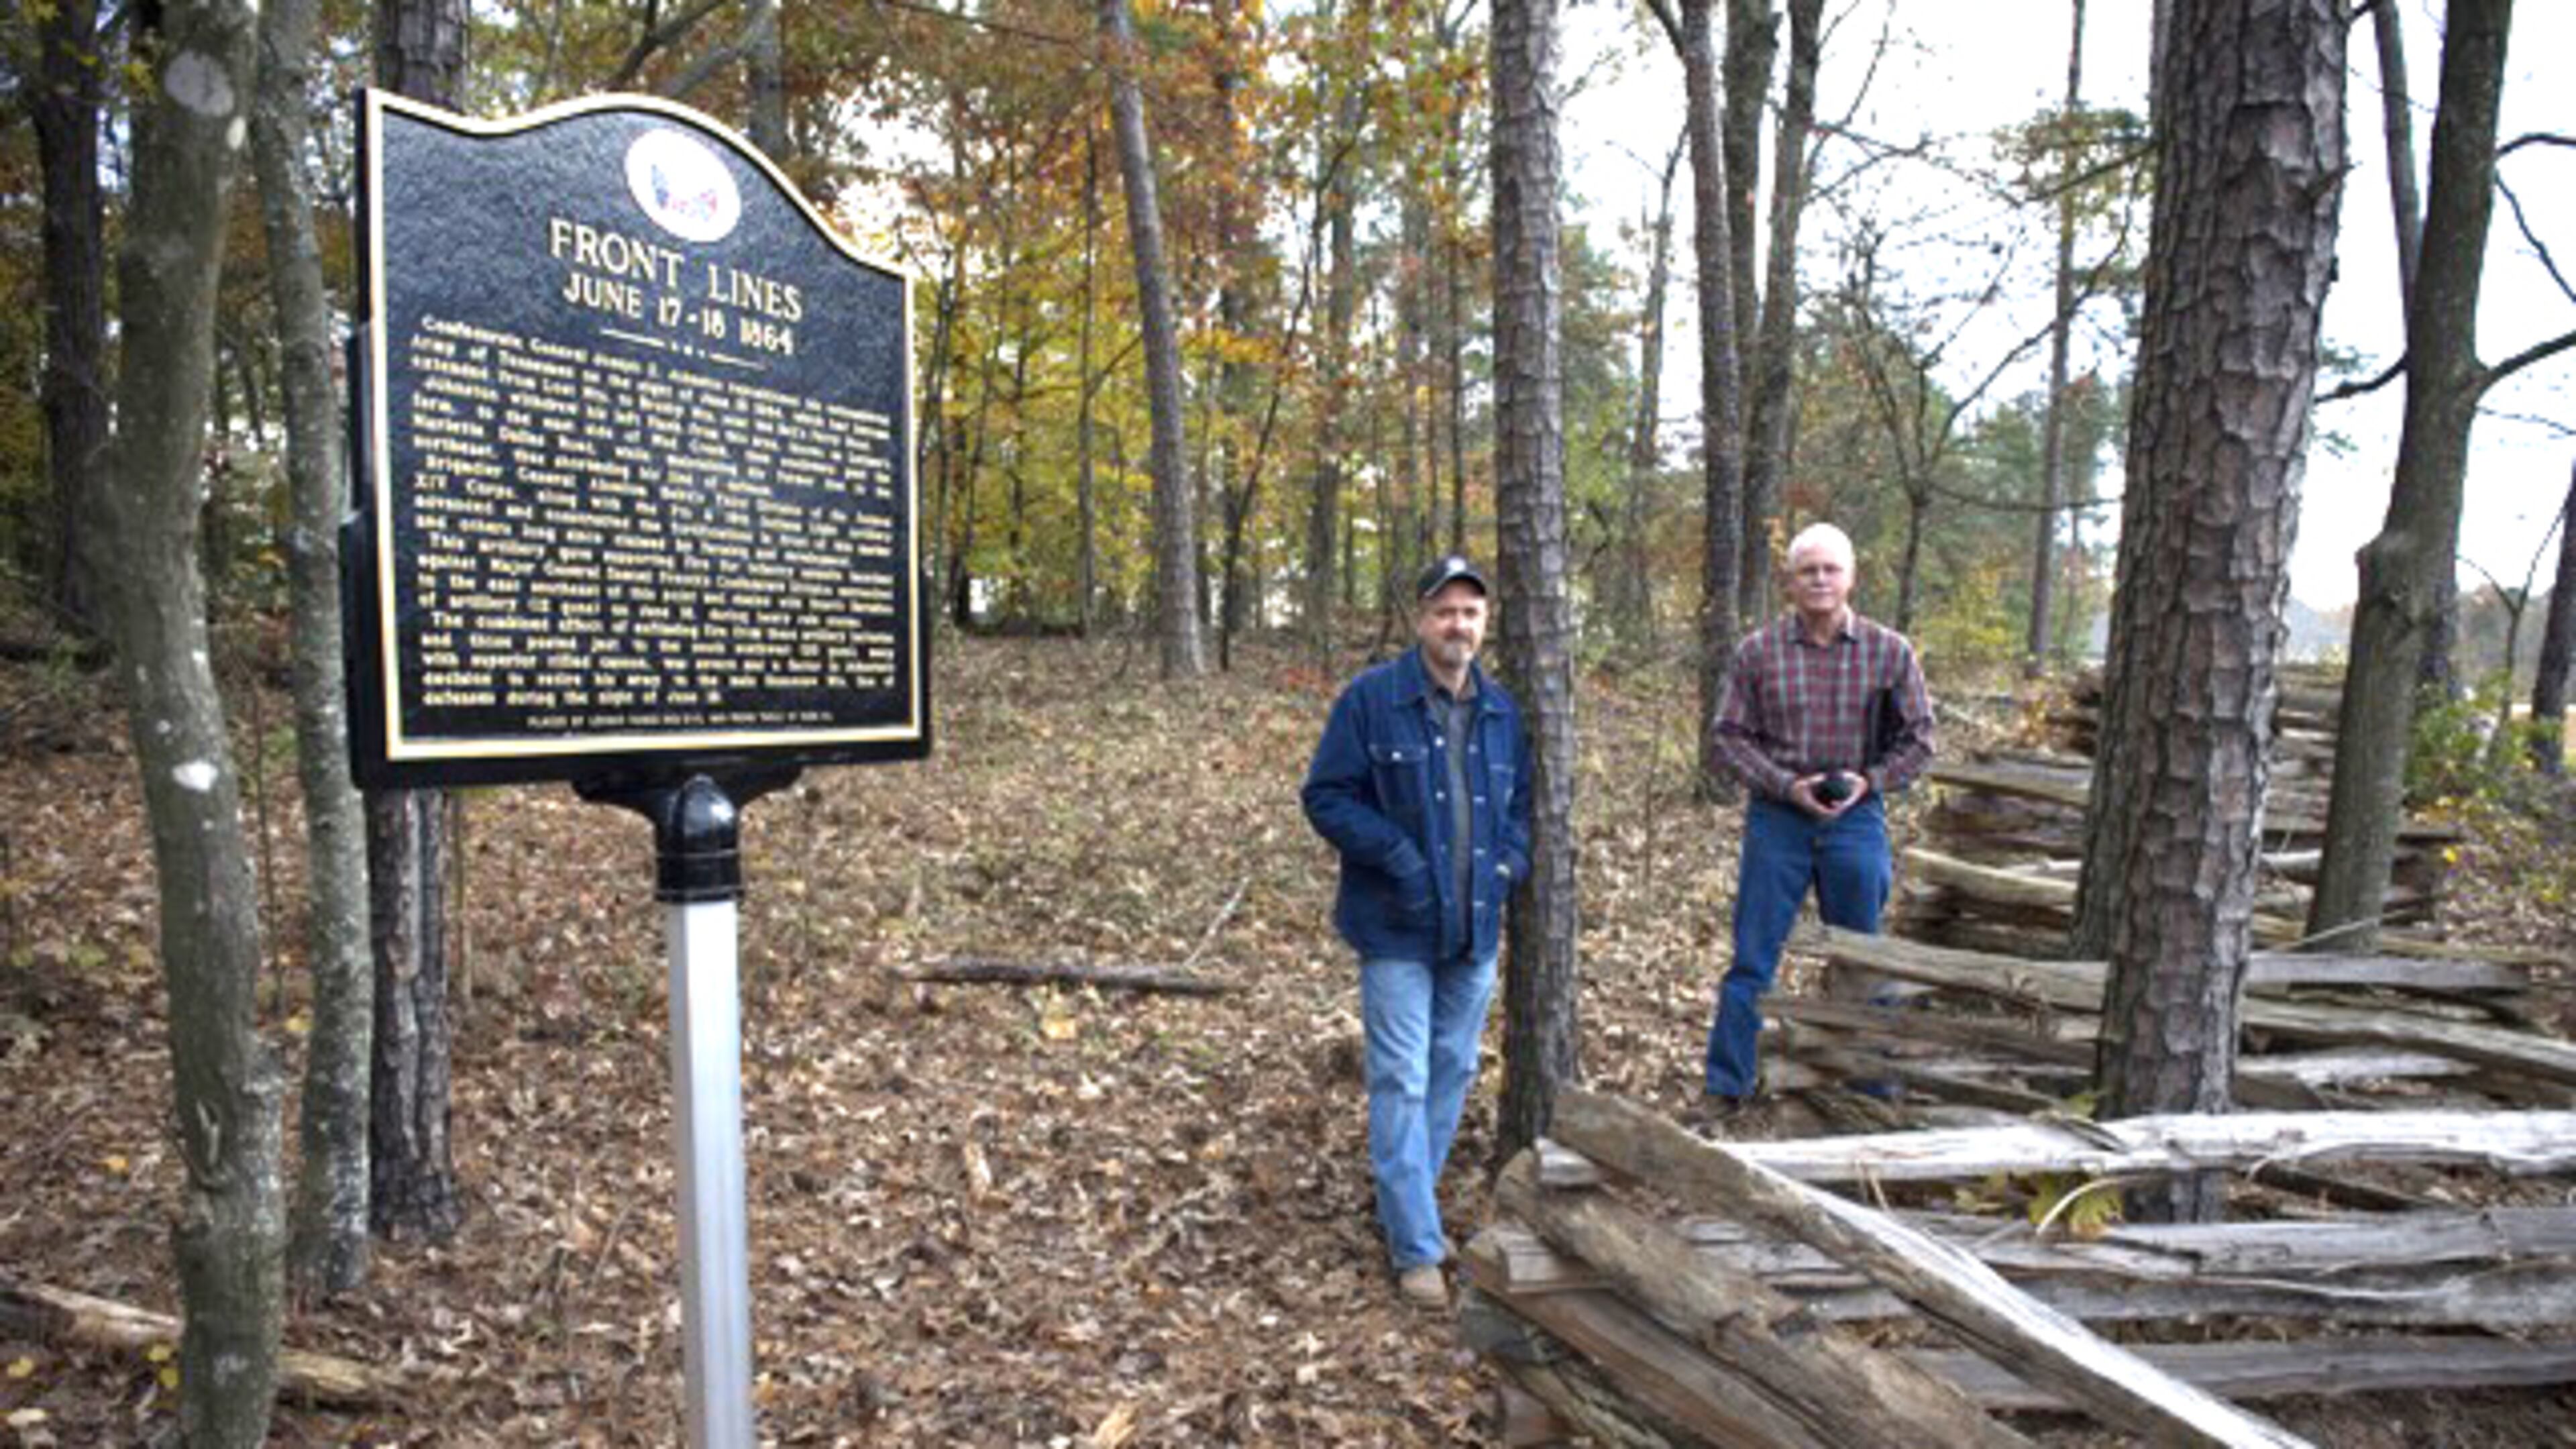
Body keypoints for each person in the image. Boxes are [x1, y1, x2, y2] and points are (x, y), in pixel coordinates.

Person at [1301, 555, 1533, 1309]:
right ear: (1420, 619)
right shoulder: (1372, 701)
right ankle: (1416, 1247)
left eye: (1469, 612)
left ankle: (1409, 1203)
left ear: (1483, 623)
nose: (1457, 624)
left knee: (1455, 1068)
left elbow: (1522, 810)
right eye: (1444, 611)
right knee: (1401, 1078)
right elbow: (1326, 796)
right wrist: (1397, 855)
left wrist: (1507, 868)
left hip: (1475, 924)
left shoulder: (1502, 713)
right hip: (1395, 926)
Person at [1705, 522, 1933, 1110]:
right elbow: (1727, 737)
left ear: (1852, 577)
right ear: (1790, 581)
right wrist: (1785, 785)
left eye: (1831, 569)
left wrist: (1871, 781)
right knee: (1754, 956)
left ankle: (1870, 1086)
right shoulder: (1758, 652)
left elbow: (1920, 741)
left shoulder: (1890, 651)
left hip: (1856, 818)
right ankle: (1726, 1088)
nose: (1821, 581)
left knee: (1862, 954)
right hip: (1777, 817)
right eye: (1809, 571)